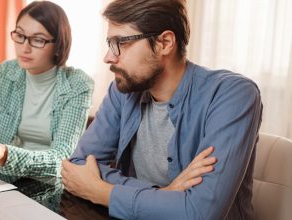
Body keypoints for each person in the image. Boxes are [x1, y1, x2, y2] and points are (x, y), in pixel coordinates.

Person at [61, 0, 262, 219]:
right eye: (110, 43)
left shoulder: (233, 94)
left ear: (164, 43)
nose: (108, 57)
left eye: (120, 43)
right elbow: (77, 167)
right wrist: (165, 194)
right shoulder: (123, 90)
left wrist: (102, 192)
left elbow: (201, 213)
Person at [0, 1, 94, 178]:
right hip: (6, 177)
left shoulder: (78, 84)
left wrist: (5, 155)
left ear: (58, 44)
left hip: (51, 184)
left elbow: (61, 159)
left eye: (37, 40)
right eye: (20, 35)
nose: (25, 47)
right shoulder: (5, 73)